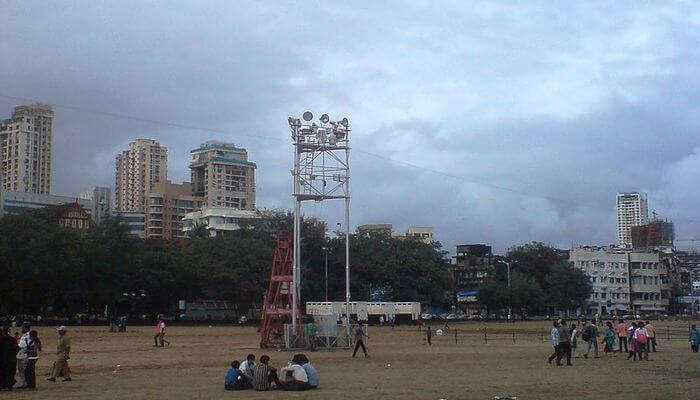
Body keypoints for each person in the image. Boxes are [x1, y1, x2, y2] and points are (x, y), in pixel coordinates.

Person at [0, 326, 19, 390]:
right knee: (10, 372)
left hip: (3, 359)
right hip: (11, 359)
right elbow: (17, 348)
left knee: (3, 373)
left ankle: (3, 385)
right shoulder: (12, 339)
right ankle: (9, 385)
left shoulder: (2, 339)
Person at [15, 322, 30, 389]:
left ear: (25, 328)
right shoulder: (24, 335)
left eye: (22, 327)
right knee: (21, 370)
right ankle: (24, 383)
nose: (21, 329)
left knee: (24, 370)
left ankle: (26, 383)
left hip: (24, 355)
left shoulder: (28, 335)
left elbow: (24, 346)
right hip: (20, 354)